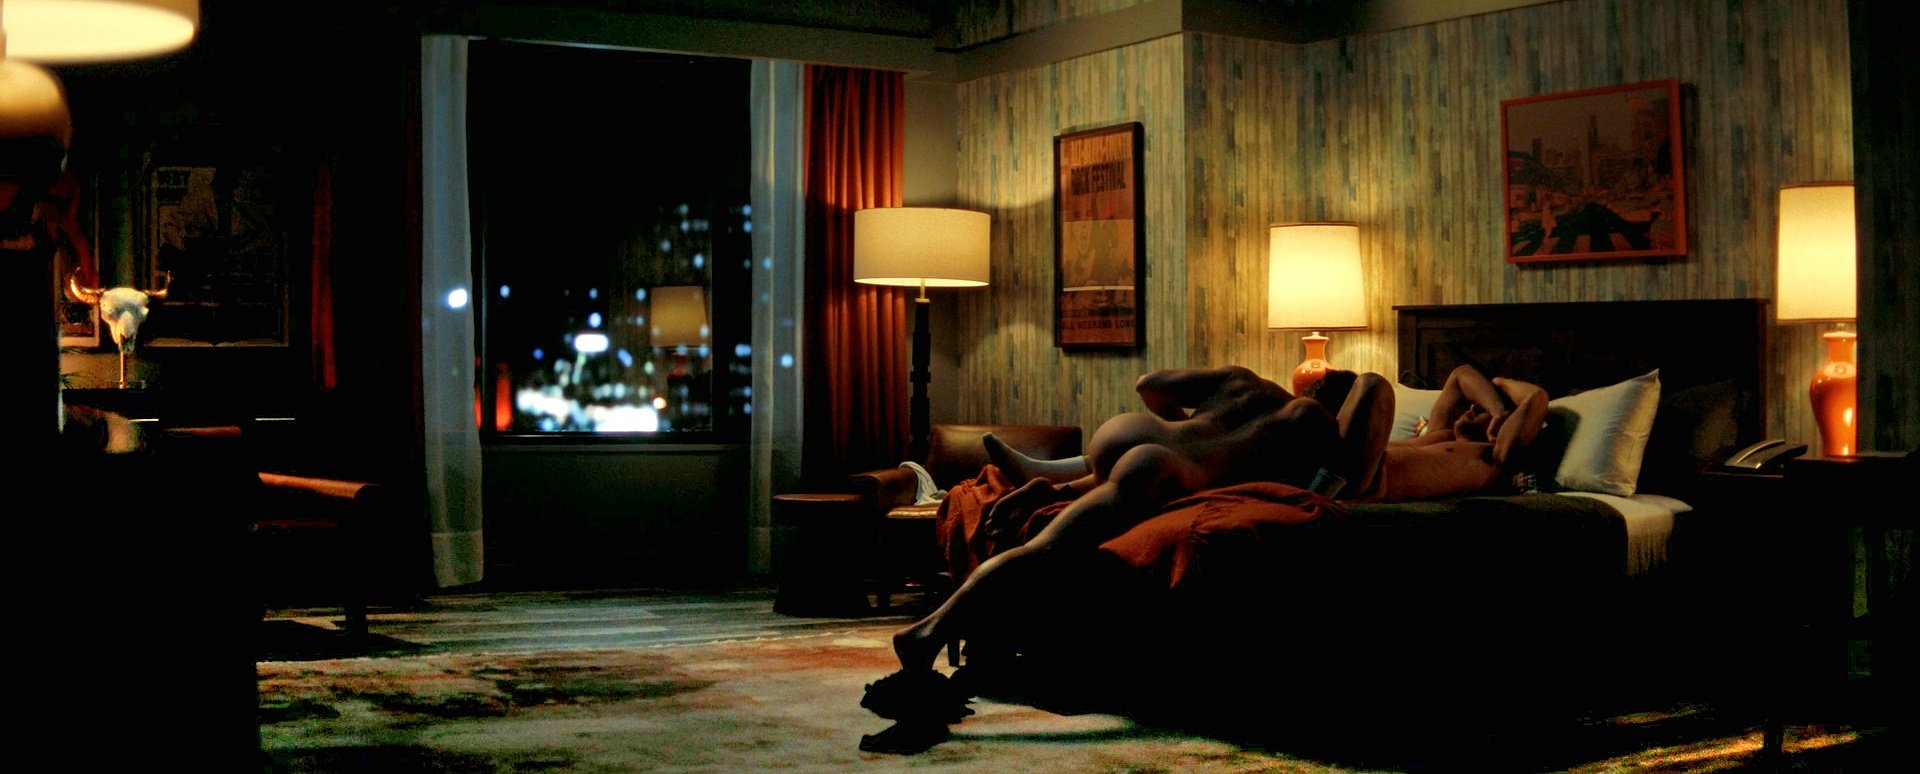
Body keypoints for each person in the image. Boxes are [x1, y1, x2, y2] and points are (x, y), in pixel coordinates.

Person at [857, 364, 1395, 752]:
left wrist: (1177, 428)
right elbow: (1341, 486)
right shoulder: (1315, 426)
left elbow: (1149, 385)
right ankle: (924, 634)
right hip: (1166, 466)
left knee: (1098, 492)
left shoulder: (1243, 379)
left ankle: (1051, 484)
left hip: (1136, 433)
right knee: (1043, 552)